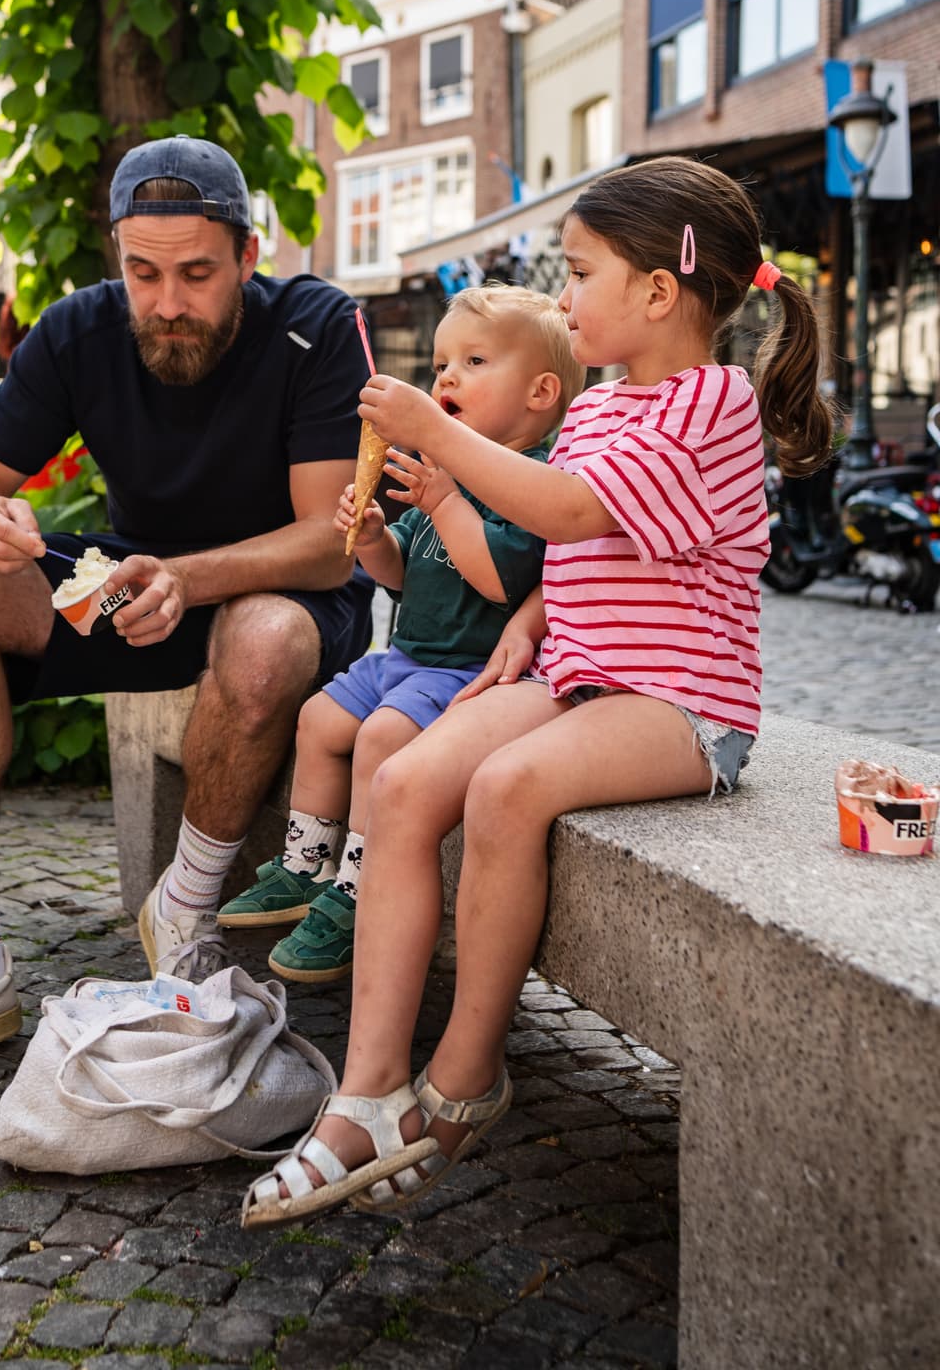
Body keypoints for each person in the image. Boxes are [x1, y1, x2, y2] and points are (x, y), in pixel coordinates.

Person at [240, 155, 833, 1226]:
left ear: (659, 292)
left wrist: (438, 431)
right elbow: (583, 551)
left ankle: (465, 1081)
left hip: (683, 707)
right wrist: (528, 620)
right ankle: (368, 1089)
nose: (563, 298)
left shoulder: (712, 404)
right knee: (414, 780)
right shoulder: (604, 406)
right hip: (584, 678)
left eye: (578, 272)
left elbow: (565, 512)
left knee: (505, 788)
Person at [0, 135, 375, 1096]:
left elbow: (332, 536)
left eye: (197, 272)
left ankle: (184, 920)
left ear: (247, 253)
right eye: (142, 272)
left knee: (267, 631)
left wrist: (190, 579)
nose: (167, 303)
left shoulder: (316, 322)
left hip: (285, 598)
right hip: (136, 590)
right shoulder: (79, 329)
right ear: (117, 255)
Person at [218, 287, 583, 984]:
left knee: (382, 737)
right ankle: (304, 864)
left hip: (466, 675)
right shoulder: (440, 473)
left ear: (541, 392)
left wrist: (444, 501)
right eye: (444, 361)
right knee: (322, 719)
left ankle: (358, 887)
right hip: (407, 657)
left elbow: (499, 583)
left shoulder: (531, 481)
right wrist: (374, 541)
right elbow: (404, 579)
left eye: (474, 360)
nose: (446, 376)